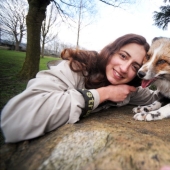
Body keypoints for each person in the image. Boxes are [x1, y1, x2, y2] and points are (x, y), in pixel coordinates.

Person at [0, 34, 162, 143]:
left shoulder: (129, 90)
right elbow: (15, 120)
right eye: (123, 56)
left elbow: (158, 97)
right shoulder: (75, 68)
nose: (124, 68)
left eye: (135, 66)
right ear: (110, 52)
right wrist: (102, 94)